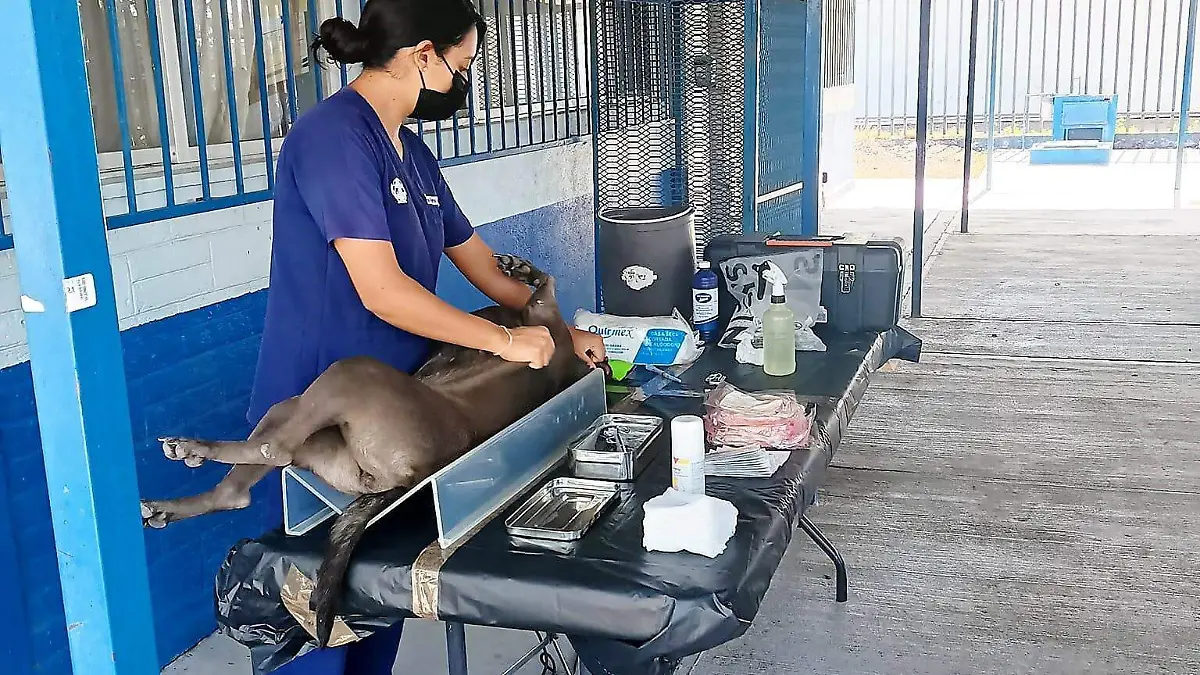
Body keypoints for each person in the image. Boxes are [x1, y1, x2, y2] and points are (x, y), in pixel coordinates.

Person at [247, 0, 606, 671]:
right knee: (317, 622)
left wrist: (563, 329)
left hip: (402, 415)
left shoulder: (411, 153)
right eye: (460, 66)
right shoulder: (331, 139)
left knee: (378, 602)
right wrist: (506, 344)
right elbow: (381, 289)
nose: (461, 82)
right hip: (320, 416)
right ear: (422, 54)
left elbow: (485, 266)